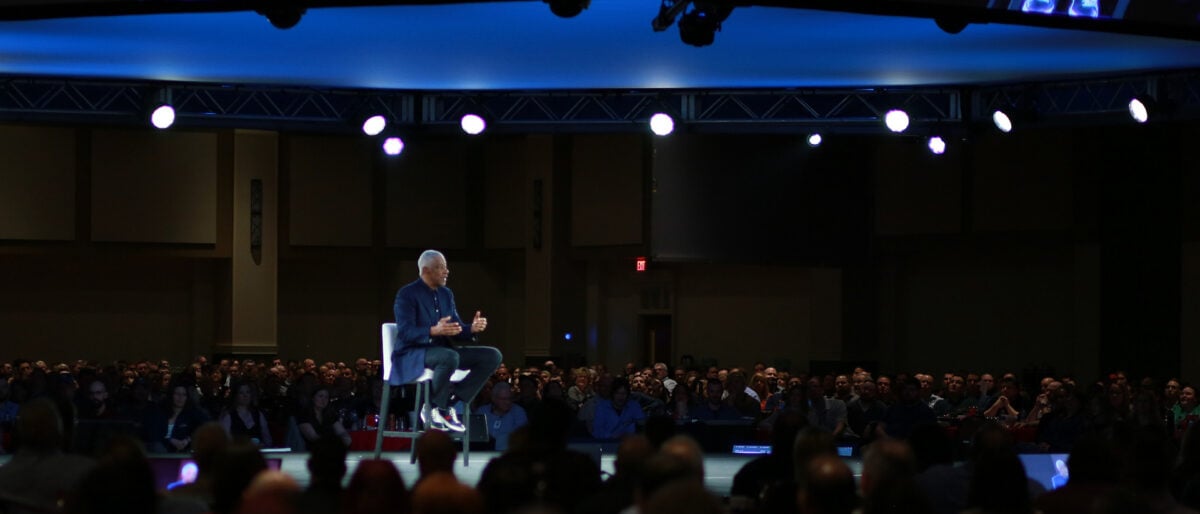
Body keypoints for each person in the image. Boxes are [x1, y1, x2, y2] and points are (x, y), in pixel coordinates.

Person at [392, 249, 503, 432]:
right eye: (440, 267)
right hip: (414, 352)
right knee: (449, 357)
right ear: (426, 271)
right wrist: (432, 330)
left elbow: (455, 329)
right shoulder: (407, 294)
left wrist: (471, 329)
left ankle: (449, 403)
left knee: (492, 355)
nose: (446, 271)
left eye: (446, 267)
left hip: (444, 351)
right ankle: (434, 408)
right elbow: (405, 332)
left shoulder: (446, 294)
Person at [219, 381, 273, 447]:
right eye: (241, 393)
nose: (245, 395)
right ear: (235, 395)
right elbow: (224, 440)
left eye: (248, 392)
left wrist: (263, 446)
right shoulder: (228, 415)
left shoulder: (258, 414)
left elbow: (267, 438)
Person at [477, 381, 528, 451]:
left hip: (508, 454)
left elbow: (519, 437)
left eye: (510, 398)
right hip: (483, 453)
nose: (508, 402)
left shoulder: (519, 412)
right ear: (493, 398)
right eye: (503, 399)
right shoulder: (482, 411)